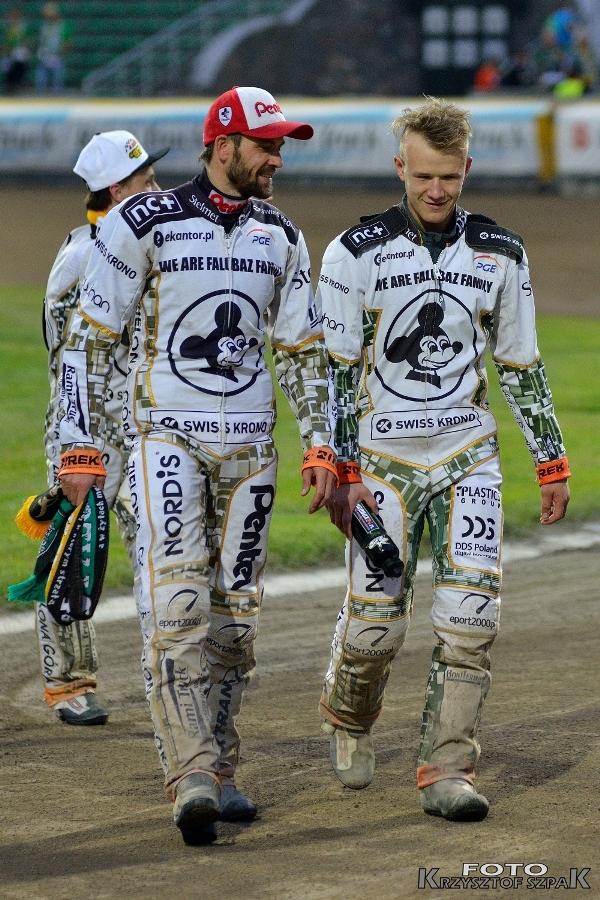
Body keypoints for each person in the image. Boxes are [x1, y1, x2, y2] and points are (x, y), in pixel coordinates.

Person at [56, 86, 336, 843]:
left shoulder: (282, 234)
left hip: (252, 453)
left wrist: (320, 443)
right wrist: (79, 445)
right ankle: (192, 774)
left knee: (235, 623)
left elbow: (302, 350)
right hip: (164, 441)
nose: (277, 159)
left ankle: (222, 765)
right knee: (177, 608)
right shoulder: (141, 221)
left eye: (281, 146)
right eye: (266, 145)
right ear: (223, 144)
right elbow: (88, 341)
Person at [317, 97, 570, 822]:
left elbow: (520, 363)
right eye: (424, 175)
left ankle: (448, 768)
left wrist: (550, 459)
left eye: (450, 177)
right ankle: (348, 713)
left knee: (471, 619)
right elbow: (334, 371)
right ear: (399, 166)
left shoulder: (502, 252)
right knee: (376, 626)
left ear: (468, 169)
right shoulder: (352, 252)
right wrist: (339, 467)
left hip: (468, 456)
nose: (436, 190)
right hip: (381, 462)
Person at [40, 130, 169, 726]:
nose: (158, 189)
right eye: (147, 180)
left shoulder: (143, 243)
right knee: (72, 551)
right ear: (117, 190)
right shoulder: (81, 255)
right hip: (88, 429)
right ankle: (68, 684)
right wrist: (76, 444)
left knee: (161, 547)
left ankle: (167, 673)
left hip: (143, 424)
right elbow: (67, 355)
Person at [34, 1, 71, 94]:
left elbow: (67, 43)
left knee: (57, 84)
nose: (48, 17)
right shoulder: (44, 26)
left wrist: (59, 55)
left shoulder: (63, 26)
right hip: (44, 57)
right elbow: (41, 41)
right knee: (40, 83)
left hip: (57, 58)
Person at [1, 5, 31, 94]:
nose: (13, 18)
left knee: (20, 56)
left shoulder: (23, 27)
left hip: (19, 51)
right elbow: (4, 42)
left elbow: (27, 41)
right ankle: (9, 84)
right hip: (8, 52)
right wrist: (6, 49)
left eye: (16, 16)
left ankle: (17, 83)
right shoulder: (6, 27)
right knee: (6, 63)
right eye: (12, 16)